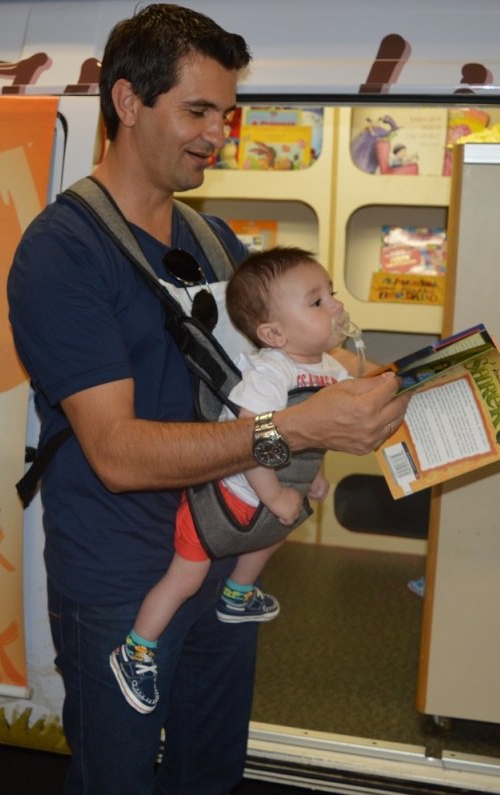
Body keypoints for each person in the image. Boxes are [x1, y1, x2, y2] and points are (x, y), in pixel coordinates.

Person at [7, 5, 409, 793]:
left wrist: (384, 381)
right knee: (116, 778)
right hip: (123, 576)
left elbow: (302, 343)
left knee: (210, 769)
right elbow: (118, 455)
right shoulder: (63, 253)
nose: (216, 133)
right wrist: (290, 429)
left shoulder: (215, 240)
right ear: (127, 102)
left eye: (225, 115)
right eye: (197, 111)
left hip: (221, 549)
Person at [110, 247, 360, 715]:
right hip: (230, 494)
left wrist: (315, 477)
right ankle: (136, 649)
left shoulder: (331, 369)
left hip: (277, 488)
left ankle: (238, 594)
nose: (336, 308)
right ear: (272, 333)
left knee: (276, 531)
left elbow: (315, 437)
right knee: (185, 577)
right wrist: (274, 494)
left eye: (332, 294)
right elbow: (253, 438)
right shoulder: (271, 371)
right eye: (317, 302)